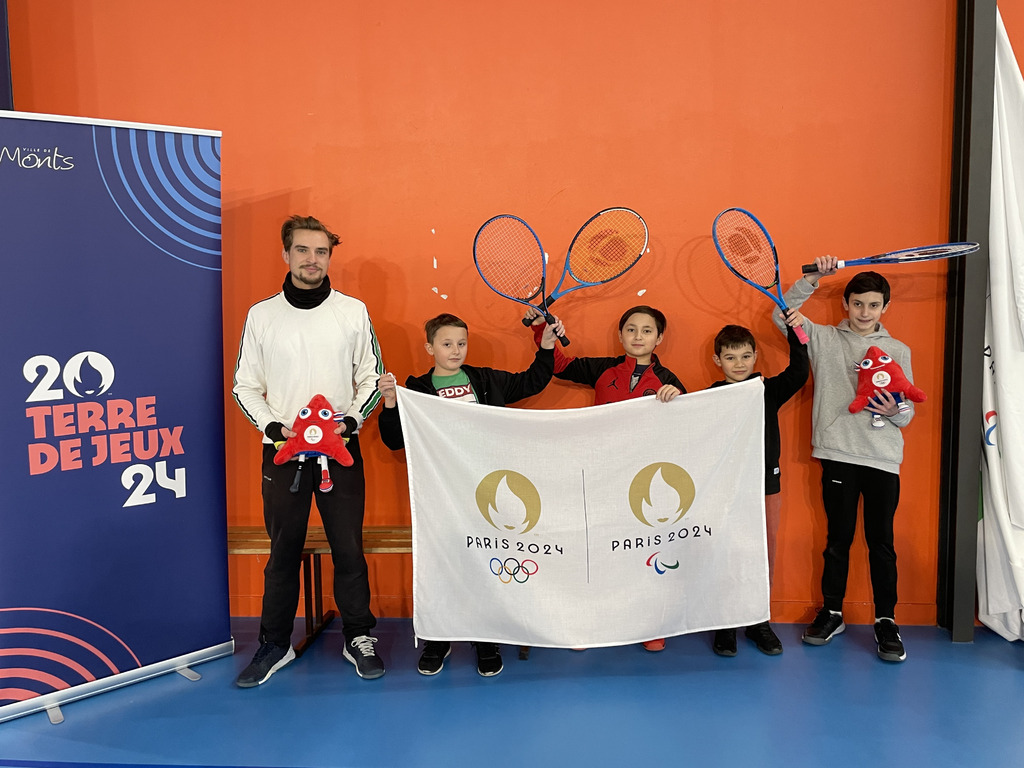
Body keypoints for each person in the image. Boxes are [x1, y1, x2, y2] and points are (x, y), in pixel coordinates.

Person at [232, 215, 386, 686]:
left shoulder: (353, 311)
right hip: (281, 456)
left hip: (341, 453)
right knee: (283, 553)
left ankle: (358, 637)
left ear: (329, 257)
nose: (311, 260)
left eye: (320, 252)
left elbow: (373, 381)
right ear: (286, 254)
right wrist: (275, 427)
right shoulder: (262, 316)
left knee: (348, 550)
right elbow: (245, 387)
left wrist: (352, 419)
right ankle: (274, 644)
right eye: (302, 250)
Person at [377, 311, 565, 677]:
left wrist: (546, 346)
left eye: (461, 343)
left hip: (488, 495)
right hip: (441, 497)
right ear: (429, 347)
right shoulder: (416, 390)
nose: (456, 350)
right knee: (443, 566)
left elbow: (533, 382)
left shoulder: (485, 380)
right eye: (447, 344)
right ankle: (439, 637)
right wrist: (390, 402)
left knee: (486, 564)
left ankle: (485, 637)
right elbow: (393, 440)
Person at [772, 257, 914, 663]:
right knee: (838, 541)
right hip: (838, 456)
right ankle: (832, 613)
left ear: (884, 308)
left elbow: (908, 411)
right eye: (857, 304)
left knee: (881, 544)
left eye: (872, 305)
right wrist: (812, 278)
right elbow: (780, 315)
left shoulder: (898, 350)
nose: (864, 313)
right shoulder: (821, 338)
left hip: (883, 459)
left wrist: (895, 414)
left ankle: (886, 621)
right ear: (846, 305)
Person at [525, 304, 684, 652]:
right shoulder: (603, 368)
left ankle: (649, 623)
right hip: (599, 476)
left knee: (643, 552)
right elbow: (561, 366)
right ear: (621, 334)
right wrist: (542, 332)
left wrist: (679, 399)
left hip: (644, 484)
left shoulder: (669, 380)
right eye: (631, 329)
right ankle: (588, 622)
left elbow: (688, 425)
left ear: (660, 337)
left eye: (646, 330)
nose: (638, 336)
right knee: (594, 553)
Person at [707, 313, 809, 657]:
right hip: (725, 491)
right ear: (717, 360)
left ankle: (758, 622)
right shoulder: (708, 398)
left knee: (763, 555)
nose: (739, 363)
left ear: (755, 358)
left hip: (766, 486)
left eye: (746, 356)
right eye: (731, 357)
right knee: (726, 554)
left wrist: (796, 332)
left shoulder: (767, 390)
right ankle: (725, 624)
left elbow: (799, 373)